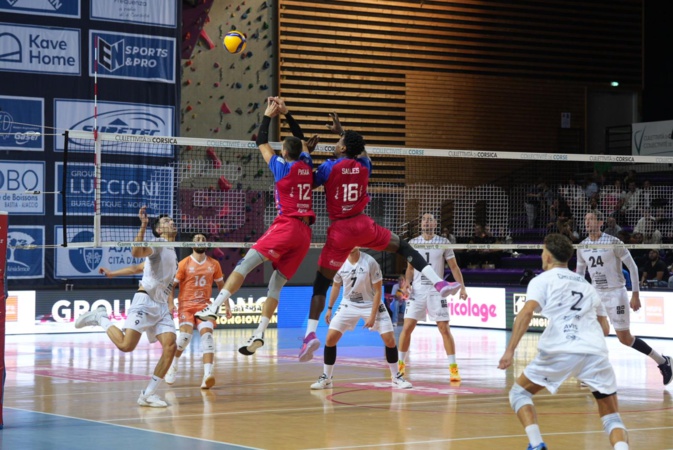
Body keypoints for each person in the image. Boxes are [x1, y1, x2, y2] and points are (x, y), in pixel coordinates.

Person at [299, 112, 461, 362]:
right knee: (404, 246)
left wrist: (305, 154)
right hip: (363, 224)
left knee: (321, 283)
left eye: (338, 143)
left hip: (340, 230)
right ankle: (438, 281)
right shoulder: (364, 165)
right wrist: (343, 132)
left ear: (342, 148)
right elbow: (361, 151)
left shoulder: (329, 167)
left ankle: (310, 335)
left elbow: (307, 182)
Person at [196, 97, 318, 356]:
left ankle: (215, 306)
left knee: (245, 263)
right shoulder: (307, 165)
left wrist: (267, 115)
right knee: (275, 285)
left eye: (282, 147)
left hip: (287, 225)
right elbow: (301, 139)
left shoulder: (282, 168)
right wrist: (287, 113)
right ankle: (259, 333)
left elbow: (260, 141)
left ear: (284, 152)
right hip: (305, 234)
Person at [498, 233, 629, 450]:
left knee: (519, 393)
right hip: (595, 351)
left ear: (548, 256)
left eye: (543, 252)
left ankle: (536, 444)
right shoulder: (587, 286)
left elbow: (526, 314)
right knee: (612, 417)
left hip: (561, 348)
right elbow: (605, 329)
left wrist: (510, 350)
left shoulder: (541, 280)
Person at [75, 207, 179, 407]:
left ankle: (148, 394)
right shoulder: (156, 244)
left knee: (170, 346)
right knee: (125, 346)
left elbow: (136, 268)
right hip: (145, 300)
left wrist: (112, 273)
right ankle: (100, 318)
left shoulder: (173, 251)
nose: (170, 222)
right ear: (158, 230)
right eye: (165, 221)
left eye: (171, 220)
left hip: (161, 306)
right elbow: (136, 253)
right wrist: (143, 225)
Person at [576, 211, 671, 384]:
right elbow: (581, 274)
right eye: (586, 220)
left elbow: (633, 267)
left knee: (625, 338)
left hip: (615, 293)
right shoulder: (582, 246)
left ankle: (663, 362)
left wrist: (635, 294)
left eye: (591, 219)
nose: (587, 222)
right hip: (596, 293)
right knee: (597, 332)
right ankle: (593, 371)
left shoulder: (613, 242)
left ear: (600, 222)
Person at [310, 248, 412, 390]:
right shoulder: (340, 262)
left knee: (389, 340)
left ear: (359, 244)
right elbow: (336, 285)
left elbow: (378, 291)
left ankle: (396, 377)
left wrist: (372, 315)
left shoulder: (370, 262)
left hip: (371, 303)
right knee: (330, 339)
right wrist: (329, 308)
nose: (351, 245)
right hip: (348, 304)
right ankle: (327, 378)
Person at [397, 213, 468, 382]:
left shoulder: (444, 242)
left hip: (437, 291)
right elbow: (410, 268)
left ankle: (453, 369)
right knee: (407, 327)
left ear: (435, 223)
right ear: (420, 224)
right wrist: (407, 282)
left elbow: (454, 267)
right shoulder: (413, 243)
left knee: (444, 328)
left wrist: (463, 288)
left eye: (430, 219)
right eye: (424, 219)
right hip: (418, 290)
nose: (427, 221)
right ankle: (400, 365)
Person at [166, 234, 228, 389]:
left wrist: (227, 305)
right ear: (191, 244)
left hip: (205, 307)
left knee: (207, 337)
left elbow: (223, 287)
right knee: (185, 336)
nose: (200, 241)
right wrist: (170, 303)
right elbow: (171, 286)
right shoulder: (184, 264)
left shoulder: (214, 264)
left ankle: (208, 375)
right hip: (186, 306)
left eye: (203, 239)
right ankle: (173, 364)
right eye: (197, 239)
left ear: (207, 244)